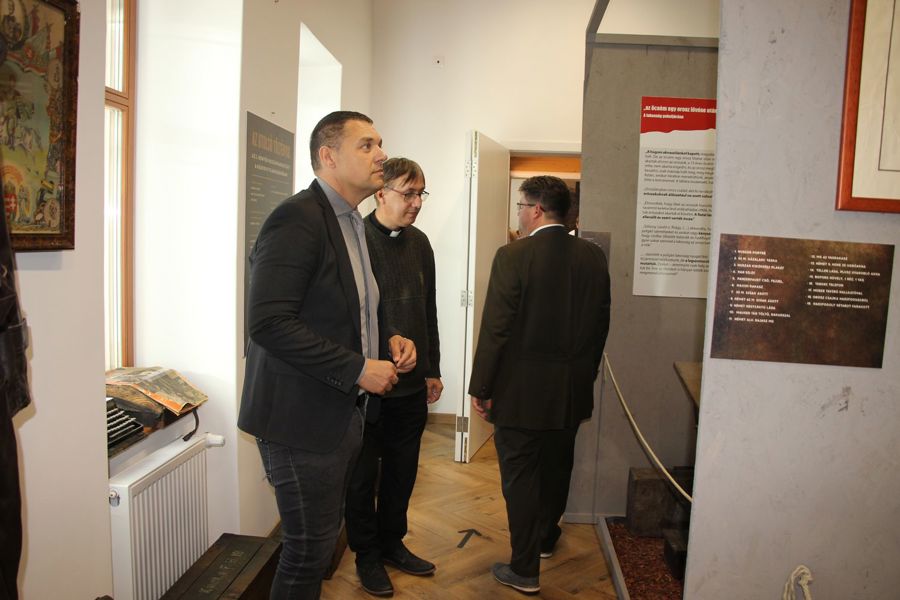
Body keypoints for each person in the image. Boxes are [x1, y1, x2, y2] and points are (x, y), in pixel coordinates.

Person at [239, 111, 417, 600]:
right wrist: (359, 368)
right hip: (300, 421)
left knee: (316, 547)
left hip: (340, 414)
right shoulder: (297, 218)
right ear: (328, 156)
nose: (381, 154)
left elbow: (347, 309)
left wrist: (387, 340)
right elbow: (268, 322)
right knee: (307, 553)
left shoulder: (351, 222)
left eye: (380, 143)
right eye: (367, 145)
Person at [468, 175, 611, 595]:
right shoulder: (593, 257)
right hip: (571, 391)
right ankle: (546, 538)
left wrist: (481, 386)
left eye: (520, 206)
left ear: (535, 210)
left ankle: (524, 568)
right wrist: (584, 376)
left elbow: (496, 328)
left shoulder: (512, 255)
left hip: (520, 392)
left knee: (520, 477)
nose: (518, 214)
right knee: (557, 466)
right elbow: (600, 326)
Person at [344, 158, 442, 596]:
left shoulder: (420, 243)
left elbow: (428, 310)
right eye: (408, 193)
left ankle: (392, 544)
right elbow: (351, 318)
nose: (416, 202)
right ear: (381, 193)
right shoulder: (358, 242)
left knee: (403, 473)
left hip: (412, 387)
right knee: (363, 477)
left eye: (421, 193)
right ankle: (366, 555)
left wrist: (433, 369)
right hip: (369, 389)